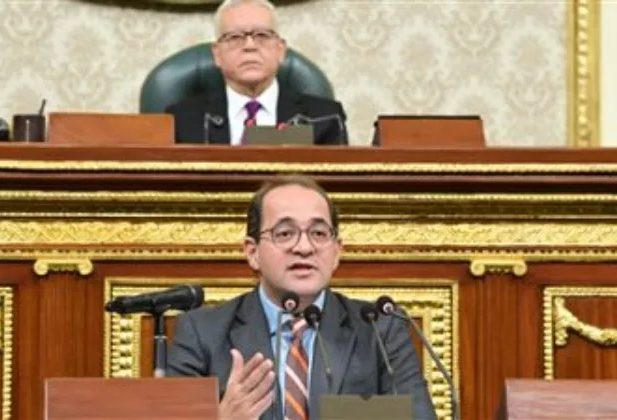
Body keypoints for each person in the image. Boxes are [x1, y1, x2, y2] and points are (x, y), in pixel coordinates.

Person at [166, 174, 437, 420]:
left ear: (337, 251)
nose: (304, 247)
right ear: (252, 252)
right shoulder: (201, 333)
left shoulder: (380, 329)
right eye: (285, 233)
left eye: (318, 233)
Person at [165, 0, 349, 146]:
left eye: (262, 35)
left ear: (280, 50)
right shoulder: (181, 120)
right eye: (235, 37)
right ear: (217, 54)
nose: (250, 46)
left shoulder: (325, 118)